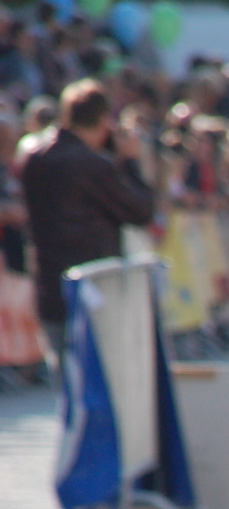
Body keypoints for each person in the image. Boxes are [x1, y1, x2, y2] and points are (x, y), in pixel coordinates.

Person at [21, 78, 155, 357]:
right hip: (95, 288)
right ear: (104, 120)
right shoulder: (92, 165)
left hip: (51, 286)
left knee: (66, 380)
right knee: (98, 383)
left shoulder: (35, 158)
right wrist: (129, 161)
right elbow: (141, 211)